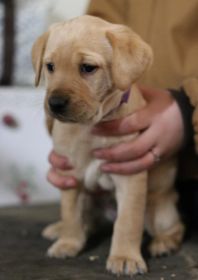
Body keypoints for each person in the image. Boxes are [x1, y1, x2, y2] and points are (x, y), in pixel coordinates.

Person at [47, 0, 198, 190]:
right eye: (49, 67)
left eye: (87, 68)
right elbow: (94, 30)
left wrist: (188, 110)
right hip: (110, 163)